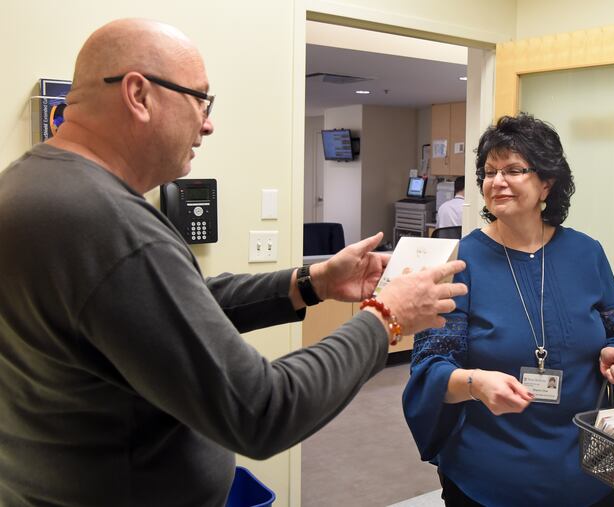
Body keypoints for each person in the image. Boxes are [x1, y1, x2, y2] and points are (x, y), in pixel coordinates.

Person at [0, 19, 467, 507]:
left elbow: (177, 307)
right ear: (139, 94)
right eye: (201, 101)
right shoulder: (107, 225)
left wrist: (311, 282)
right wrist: (385, 315)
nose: (208, 123)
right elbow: (263, 409)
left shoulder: (33, 186)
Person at [402, 114, 614, 507]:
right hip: (491, 476)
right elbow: (430, 369)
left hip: (590, 468)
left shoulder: (587, 253)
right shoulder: (459, 261)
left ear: (546, 181)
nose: (497, 181)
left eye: (513, 170)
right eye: (489, 171)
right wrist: (476, 383)